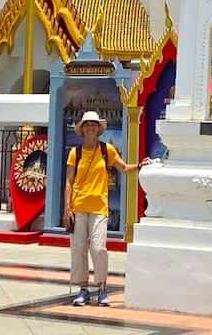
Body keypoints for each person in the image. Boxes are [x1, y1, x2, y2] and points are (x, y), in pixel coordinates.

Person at [63, 110, 138, 307]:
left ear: (98, 129)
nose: (90, 128)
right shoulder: (75, 153)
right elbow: (69, 181)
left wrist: (139, 165)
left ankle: (102, 287)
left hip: (99, 207)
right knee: (78, 248)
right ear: (82, 129)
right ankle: (83, 289)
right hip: (78, 207)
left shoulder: (107, 150)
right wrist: (66, 207)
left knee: (99, 248)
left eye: (93, 125)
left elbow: (123, 168)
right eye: (87, 124)